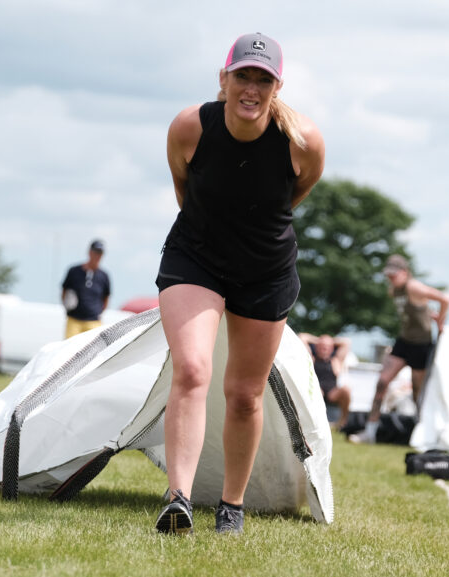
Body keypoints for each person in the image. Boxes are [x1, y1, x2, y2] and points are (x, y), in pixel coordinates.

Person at [152, 32, 325, 536]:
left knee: (244, 394)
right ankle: (178, 499)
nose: (251, 87)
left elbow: (296, 193)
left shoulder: (303, 141)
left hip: (265, 270)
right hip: (196, 256)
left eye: (263, 79)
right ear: (223, 79)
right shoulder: (190, 126)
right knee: (191, 370)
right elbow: (184, 186)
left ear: (277, 87)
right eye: (242, 75)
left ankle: (231, 506)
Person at [348, 254, 449, 444]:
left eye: (394, 275)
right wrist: (428, 313)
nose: (390, 278)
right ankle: (370, 432)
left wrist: (440, 322)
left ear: (404, 272)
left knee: (418, 394)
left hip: (421, 345)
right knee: (382, 382)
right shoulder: (393, 291)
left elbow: (445, 299)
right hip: (403, 342)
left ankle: (423, 434)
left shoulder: (413, 286)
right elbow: (417, 310)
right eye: (388, 275)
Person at [299, 333, 352, 430]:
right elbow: (302, 337)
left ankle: (343, 421)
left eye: (327, 347)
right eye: (322, 346)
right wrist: (320, 340)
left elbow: (346, 342)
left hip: (332, 393)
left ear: (332, 349)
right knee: (316, 390)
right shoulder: (311, 359)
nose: (324, 349)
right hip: (315, 391)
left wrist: (328, 341)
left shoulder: (336, 361)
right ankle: (313, 423)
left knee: (346, 390)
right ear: (316, 347)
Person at [60, 239, 111, 338]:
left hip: (93, 321)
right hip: (74, 320)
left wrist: (96, 311)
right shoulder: (74, 271)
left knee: (94, 350)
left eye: (100, 253)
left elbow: (106, 298)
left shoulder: (104, 276)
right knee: (70, 350)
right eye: (95, 252)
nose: (97, 256)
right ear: (89, 252)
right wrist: (68, 306)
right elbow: (64, 291)